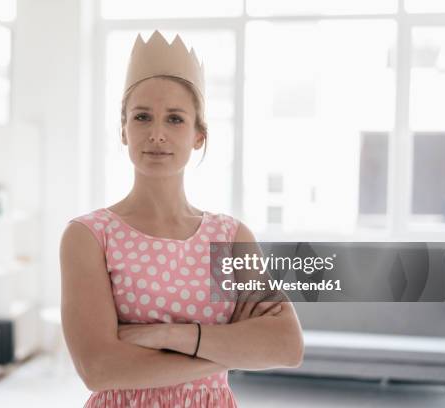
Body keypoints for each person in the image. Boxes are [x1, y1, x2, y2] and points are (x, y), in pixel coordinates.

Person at [60, 30, 304, 407]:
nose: (156, 133)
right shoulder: (89, 236)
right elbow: (99, 368)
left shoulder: (230, 235)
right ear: (123, 130)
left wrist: (170, 336)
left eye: (174, 119)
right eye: (142, 117)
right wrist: (234, 348)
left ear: (198, 136)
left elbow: (286, 345)